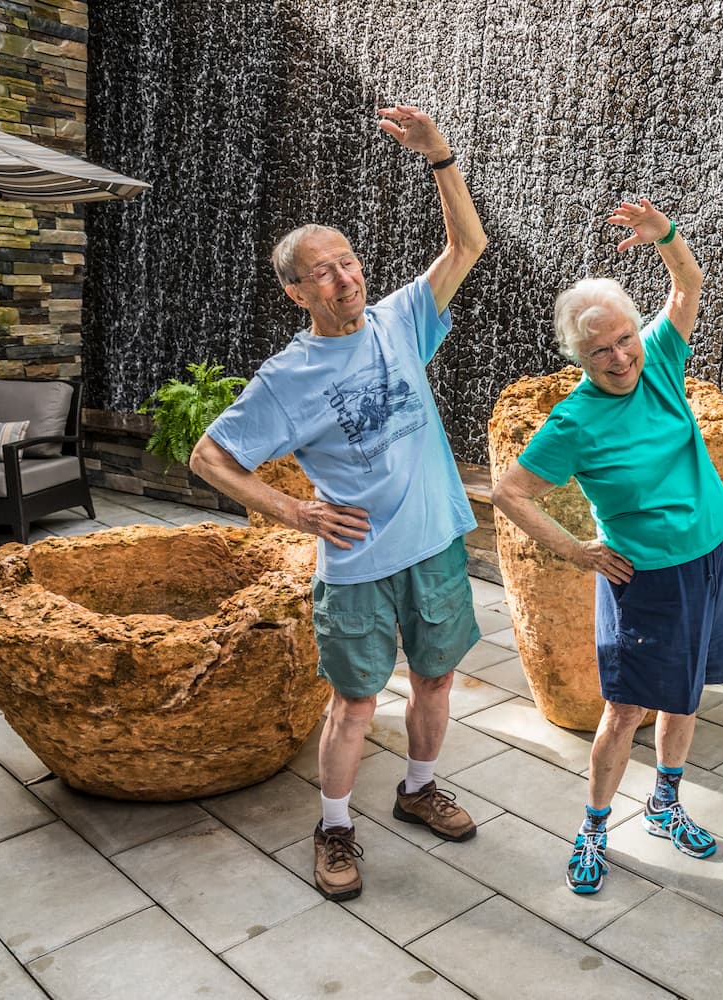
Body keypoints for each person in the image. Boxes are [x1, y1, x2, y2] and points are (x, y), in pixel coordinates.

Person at [189, 106, 488, 902]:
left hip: (435, 543)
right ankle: (333, 828)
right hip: (355, 563)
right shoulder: (286, 379)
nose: (345, 277)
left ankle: (419, 787)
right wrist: (295, 513)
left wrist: (440, 158)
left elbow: (468, 245)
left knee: (435, 680)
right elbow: (209, 455)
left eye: (348, 261)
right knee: (356, 702)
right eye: (322, 271)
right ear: (296, 292)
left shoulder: (402, 318)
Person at [490, 199, 723, 894]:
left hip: (714, 552)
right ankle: (595, 826)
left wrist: (664, 233)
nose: (620, 355)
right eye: (600, 348)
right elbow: (508, 493)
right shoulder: (572, 421)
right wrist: (578, 551)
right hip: (647, 577)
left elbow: (687, 286)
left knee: (685, 695)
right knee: (626, 710)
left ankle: (664, 805)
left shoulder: (659, 358)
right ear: (577, 356)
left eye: (625, 337)